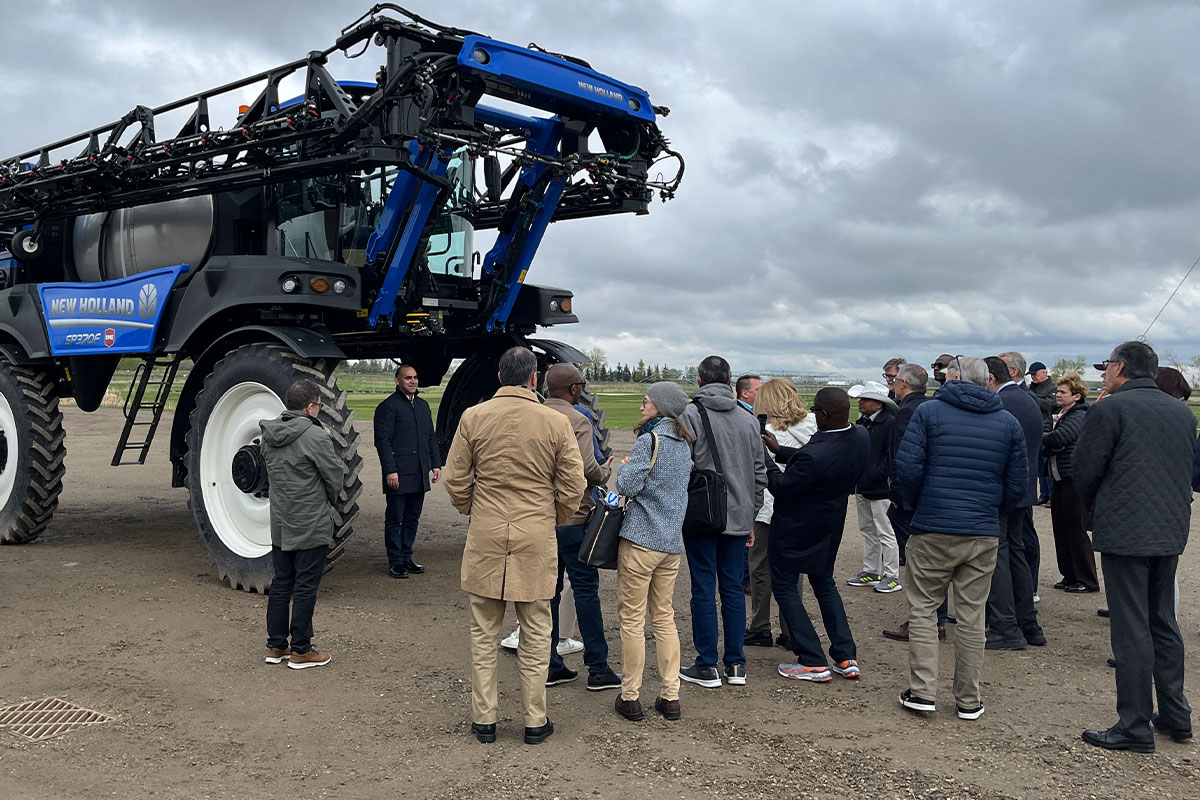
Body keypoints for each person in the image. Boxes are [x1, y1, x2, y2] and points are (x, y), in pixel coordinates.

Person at [443, 346, 587, 746]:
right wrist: (551, 516)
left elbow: (456, 480)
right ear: (533, 379)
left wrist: (476, 508)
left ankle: (484, 720)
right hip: (535, 536)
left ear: (501, 377)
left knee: (484, 633)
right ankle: (534, 720)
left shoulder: (474, 418)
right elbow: (574, 486)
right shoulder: (554, 422)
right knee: (538, 630)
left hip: (487, 534)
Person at [1075, 341, 1194, 753]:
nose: (1104, 371)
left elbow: (1085, 472)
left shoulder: (1109, 409)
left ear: (1120, 367)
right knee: (1163, 620)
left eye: (1106, 365)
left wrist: (1096, 509)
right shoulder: (1181, 411)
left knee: (1131, 628)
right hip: (1170, 528)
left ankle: (1135, 724)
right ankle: (1176, 714)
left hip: (1127, 530)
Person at [894, 356, 1026, 719]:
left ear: (953, 378)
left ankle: (922, 692)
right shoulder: (1007, 421)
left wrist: (914, 503)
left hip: (933, 525)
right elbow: (1017, 484)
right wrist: (993, 510)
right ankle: (969, 698)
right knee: (972, 615)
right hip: (982, 530)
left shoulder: (928, 413)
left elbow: (907, 468)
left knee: (923, 609)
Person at [763, 387, 870, 682]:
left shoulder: (815, 453)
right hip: (830, 524)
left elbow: (781, 486)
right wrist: (781, 451)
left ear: (823, 415)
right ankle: (845, 655)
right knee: (824, 584)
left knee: (784, 587)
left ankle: (811, 658)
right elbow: (822, 459)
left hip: (795, 528)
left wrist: (767, 461)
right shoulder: (860, 436)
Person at [678, 355, 766, 688]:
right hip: (739, 515)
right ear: (730, 383)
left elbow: (680, 467)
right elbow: (760, 474)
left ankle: (706, 664)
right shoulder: (748, 420)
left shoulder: (690, 414)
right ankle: (736, 665)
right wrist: (752, 515)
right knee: (731, 589)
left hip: (702, 514)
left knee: (703, 587)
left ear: (700, 382)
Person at [612, 382, 694, 722]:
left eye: (647, 401)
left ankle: (630, 695)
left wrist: (627, 466)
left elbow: (626, 485)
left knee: (632, 619)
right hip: (671, 543)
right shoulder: (685, 444)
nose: (643, 405)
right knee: (664, 616)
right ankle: (669, 695)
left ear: (660, 407)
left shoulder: (650, 441)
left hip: (641, 539)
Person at [541, 363, 621, 690]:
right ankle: (598, 668)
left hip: (540, 520)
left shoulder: (533, 414)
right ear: (575, 389)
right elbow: (587, 468)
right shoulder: (578, 419)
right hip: (573, 518)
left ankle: (549, 663)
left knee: (547, 593)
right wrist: (603, 472)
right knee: (586, 590)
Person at [261, 380, 347, 670]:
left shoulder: (269, 434)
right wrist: (332, 499)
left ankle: (276, 645)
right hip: (309, 523)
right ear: (310, 406)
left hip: (280, 523)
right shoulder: (315, 435)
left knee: (281, 582)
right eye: (320, 406)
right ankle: (301, 650)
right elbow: (334, 477)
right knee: (306, 586)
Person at [746, 379, 817, 648]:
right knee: (792, 571)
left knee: (760, 568)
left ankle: (759, 625)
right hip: (799, 507)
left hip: (766, 505)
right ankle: (791, 629)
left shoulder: (760, 429)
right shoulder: (813, 424)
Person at [880, 364, 948, 643]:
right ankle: (935, 619)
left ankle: (929, 621)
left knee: (921, 563)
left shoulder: (907, 412)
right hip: (930, 495)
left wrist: (897, 497)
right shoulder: (933, 408)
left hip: (911, 500)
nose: (892, 385)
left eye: (894, 381)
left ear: (904, 384)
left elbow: (904, 459)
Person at [983, 354, 1044, 650]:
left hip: (1004, 492)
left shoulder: (1002, 403)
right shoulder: (1027, 398)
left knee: (999, 558)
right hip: (1022, 492)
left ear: (991, 379)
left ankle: (1005, 625)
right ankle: (1028, 623)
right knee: (1016, 554)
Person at [374, 363, 441, 579]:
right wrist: (390, 470)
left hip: (419, 472)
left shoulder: (422, 406)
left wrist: (435, 464)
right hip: (398, 474)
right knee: (395, 518)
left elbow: (430, 438)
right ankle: (395, 561)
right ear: (397, 381)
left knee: (412, 518)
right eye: (407, 378)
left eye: (415, 378)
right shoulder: (388, 407)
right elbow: (382, 442)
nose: (413, 381)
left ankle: (406, 556)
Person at [1042, 374, 1098, 593]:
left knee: (1075, 529)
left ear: (1076, 396)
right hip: (1058, 477)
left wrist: (1051, 436)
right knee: (1061, 528)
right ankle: (1069, 574)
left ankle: (1087, 578)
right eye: (1057, 391)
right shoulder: (1059, 415)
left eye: (1063, 392)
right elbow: (1044, 438)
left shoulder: (1080, 416)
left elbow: (1059, 438)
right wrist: (1050, 436)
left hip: (1073, 478)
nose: (1058, 394)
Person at [845, 380, 901, 593]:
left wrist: (876, 475)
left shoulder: (889, 423)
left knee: (885, 532)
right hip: (864, 485)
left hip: (878, 488)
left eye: (866, 399)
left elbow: (891, 455)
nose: (861, 402)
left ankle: (892, 575)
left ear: (878, 404)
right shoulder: (865, 422)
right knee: (868, 530)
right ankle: (871, 571)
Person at [1002, 352, 1044, 593]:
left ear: (1013, 372)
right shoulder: (1022, 396)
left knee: (1022, 538)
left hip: (1019, 481)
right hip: (1022, 480)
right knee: (1020, 537)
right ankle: (1026, 588)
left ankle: (1028, 588)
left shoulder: (1021, 398)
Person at [1028, 361, 1055, 505]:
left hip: (1047, 427)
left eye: (1035, 374)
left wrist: (1032, 399)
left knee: (1046, 464)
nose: (1032, 378)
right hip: (1036, 427)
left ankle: (1051, 495)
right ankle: (1044, 494)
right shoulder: (1032, 388)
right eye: (1031, 375)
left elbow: (1052, 404)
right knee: (1038, 465)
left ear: (1044, 373)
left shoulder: (1053, 388)